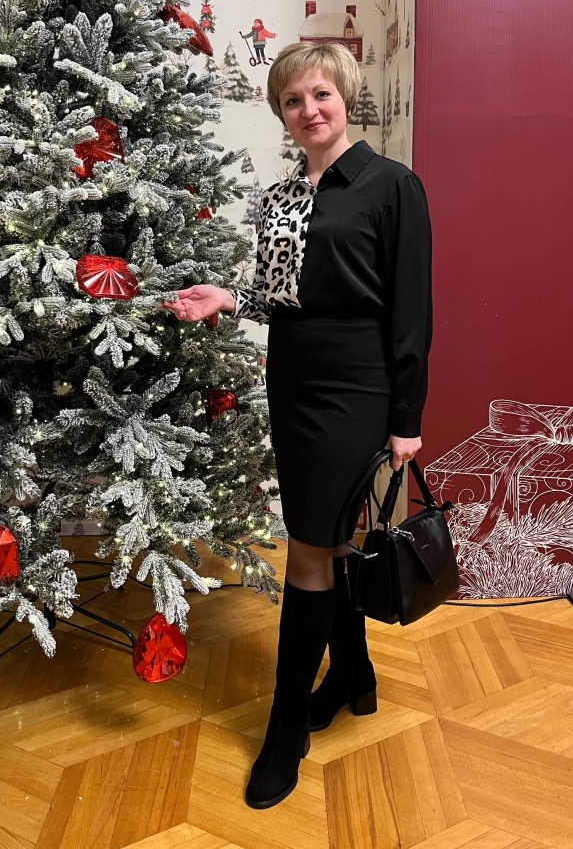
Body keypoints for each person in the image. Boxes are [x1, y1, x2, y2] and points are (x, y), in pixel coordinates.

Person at [159, 41, 432, 810]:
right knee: (329, 538)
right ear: (281, 113)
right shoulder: (281, 197)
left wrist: (406, 418)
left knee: (309, 549)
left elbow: (412, 312)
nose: (309, 110)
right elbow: (281, 297)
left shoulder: (392, 185)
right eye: (292, 100)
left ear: (345, 96)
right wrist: (230, 299)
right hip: (294, 383)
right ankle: (352, 675)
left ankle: (287, 728)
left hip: (357, 388)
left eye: (320, 94)